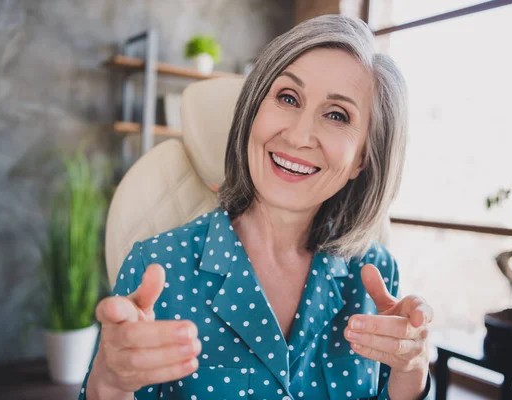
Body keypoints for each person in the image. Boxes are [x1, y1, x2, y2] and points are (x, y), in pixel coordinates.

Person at [79, 14, 434, 400]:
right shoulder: (158, 265)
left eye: (337, 115)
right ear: (253, 113)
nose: (299, 135)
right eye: (287, 97)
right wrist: (109, 384)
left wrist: (411, 370)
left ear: (363, 158)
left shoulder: (375, 272)